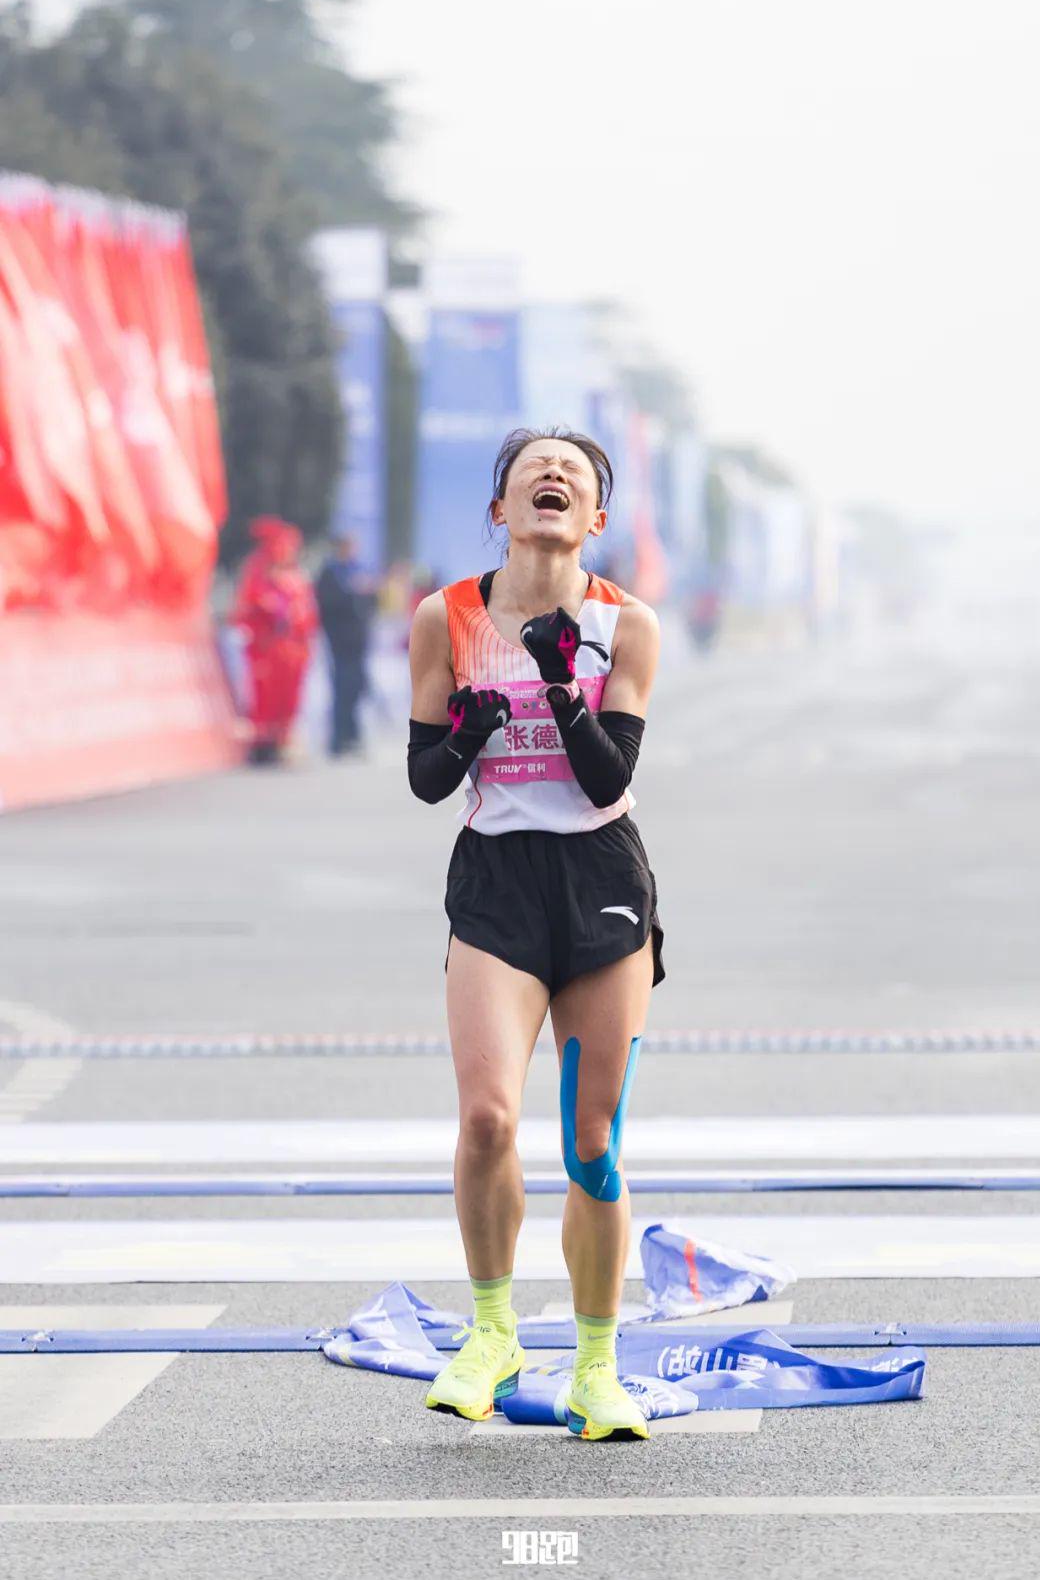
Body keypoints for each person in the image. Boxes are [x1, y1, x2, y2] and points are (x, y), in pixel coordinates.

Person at [407, 427, 664, 1442]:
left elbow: (606, 779)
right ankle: (492, 1330)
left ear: (594, 517)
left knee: (593, 1146)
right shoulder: (448, 616)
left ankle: (597, 1367)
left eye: (576, 477)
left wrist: (560, 689)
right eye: (532, 471)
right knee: (486, 1123)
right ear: (500, 509)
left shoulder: (627, 624)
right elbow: (429, 779)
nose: (553, 480)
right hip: (498, 881)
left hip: (601, 878)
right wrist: (469, 728)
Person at [231, 517, 318, 764]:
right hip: (268, 648)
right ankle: (262, 745)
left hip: (294, 650)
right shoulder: (258, 570)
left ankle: (281, 741)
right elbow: (249, 608)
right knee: (264, 697)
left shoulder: (296, 576)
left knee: (288, 698)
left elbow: (307, 614)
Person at [315, 535, 378, 756]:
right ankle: (338, 739)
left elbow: (371, 604)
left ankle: (352, 735)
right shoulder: (330, 573)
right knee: (341, 688)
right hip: (340, 642)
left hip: (358, 642)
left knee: (356, 688)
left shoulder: (359, 570)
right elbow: (326, 604)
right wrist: (352, 591)